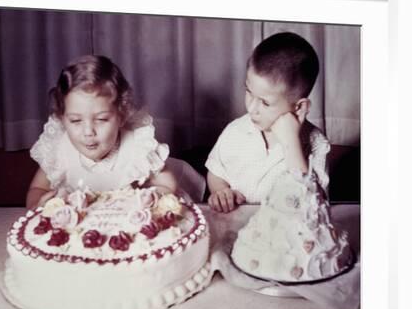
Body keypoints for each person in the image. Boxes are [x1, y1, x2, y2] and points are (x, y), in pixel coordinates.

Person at [26, 54, 177, 210]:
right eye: (76, 121)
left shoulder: (138, 147)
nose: (88, 132)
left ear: (122, 116)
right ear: (62, 119)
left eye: (101, 119)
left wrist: (150, 198)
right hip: (78, 231)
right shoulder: (59, 149)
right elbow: (37, 189)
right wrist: (39, 204)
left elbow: (168, 185)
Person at [205, 31, 330, 213]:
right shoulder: (236, 130)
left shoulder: (317, 144)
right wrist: (221, 191)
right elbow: (216, 172)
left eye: (265, 102)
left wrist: (291, 143)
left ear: (299, 108)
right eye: (248, 91)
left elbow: (314, 208)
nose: (251, 108)